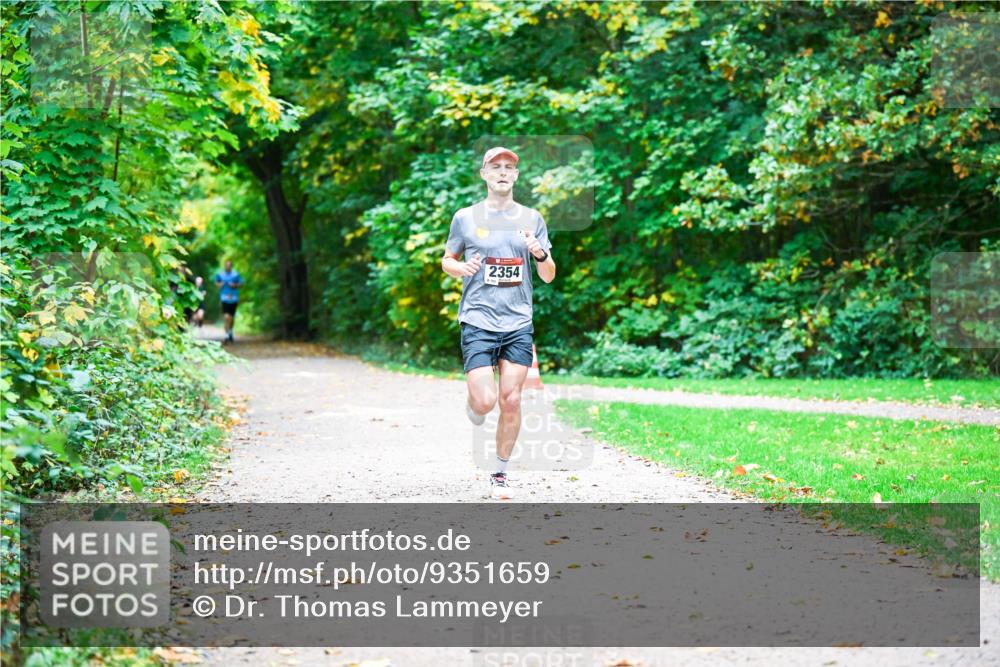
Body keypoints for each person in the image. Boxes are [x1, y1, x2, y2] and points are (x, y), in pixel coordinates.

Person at [441, 147, 555, 497]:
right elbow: (448, 259)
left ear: (516, 176)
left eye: (509, 167)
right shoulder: (465, 217)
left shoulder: (532, 218)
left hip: (518, 321)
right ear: (485, 174)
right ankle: (475, 405)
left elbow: (548, 275)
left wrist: (539, 252)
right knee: (486, 401)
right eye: (496, 167)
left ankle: (500, 474)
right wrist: (460, 268)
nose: (503, 172)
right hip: (477, 318)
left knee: (512, 399)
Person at [214, 260, 244, 344]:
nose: (227, 267)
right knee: (226, 316)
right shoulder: (220, 274)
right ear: (224, 266)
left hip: (234, 298)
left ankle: (230, 332)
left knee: (231, 317)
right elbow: (216, 283)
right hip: (224, 298)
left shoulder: (236, 274)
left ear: (231, 266)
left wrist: (234, 285)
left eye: (229, 265)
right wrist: (220, 284)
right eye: (226, 265)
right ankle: (227, 335)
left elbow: (241, 283)